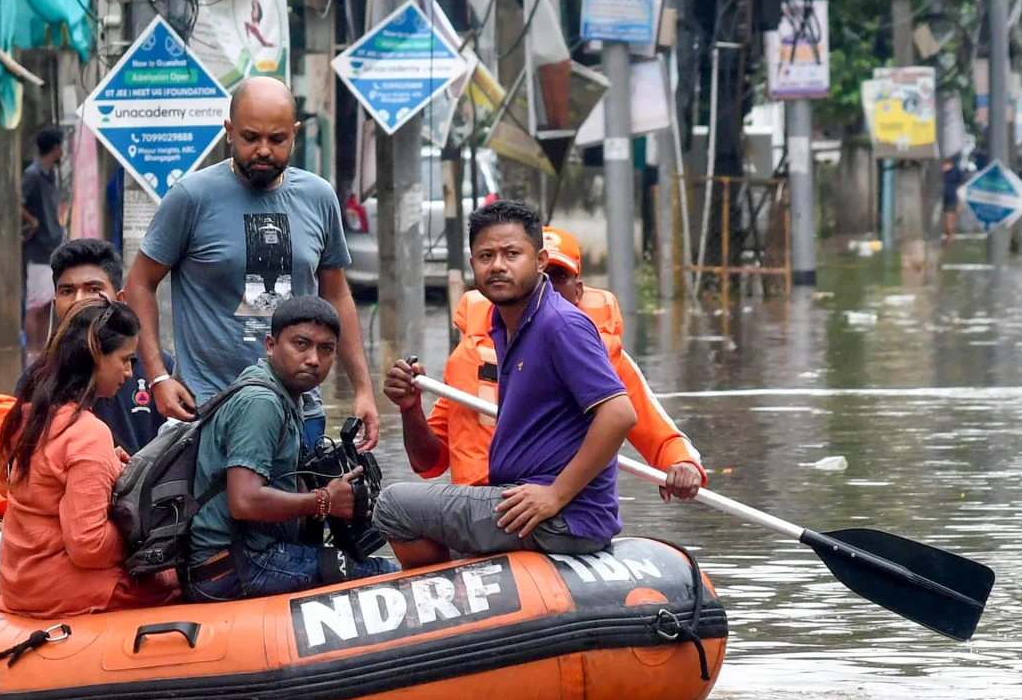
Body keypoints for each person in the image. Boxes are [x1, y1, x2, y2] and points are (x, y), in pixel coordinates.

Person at [374, 199, 636, 566]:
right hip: (519, 504)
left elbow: (620, 414)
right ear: (473, 267)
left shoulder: (560, 325)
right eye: (486, 256)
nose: (498, 266)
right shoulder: (502, 328)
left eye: (512, 254)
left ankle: (440, 605)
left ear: (540, 260)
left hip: (560, 518)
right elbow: (428, 462)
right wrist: (410, 406)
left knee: (392, 505)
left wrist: (556, 495)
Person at [125, 76, 378, 451]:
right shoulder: (191, 198)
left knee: (302, 505)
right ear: (229, 132)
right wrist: (159, 378)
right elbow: (139, 283)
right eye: (250, 138)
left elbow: (336, 295)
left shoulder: (318, 197)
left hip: (300, 408)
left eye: (277, 139)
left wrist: (363, 389)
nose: (263, 150)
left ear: (294, 134)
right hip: (210, 408)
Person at [407, 227, 704, 500]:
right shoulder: (468, 356)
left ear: (578, 292)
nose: (544, 285)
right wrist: (410, 408)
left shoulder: (598, 353)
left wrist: (681, 463)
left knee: (400, 505)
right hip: (476, 506)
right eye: (540, 274)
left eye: (557, 277)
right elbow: (430, 463)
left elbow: (656, 431)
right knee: (396, 509)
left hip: (555, 505)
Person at [186, 297, 397, 601]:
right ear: (270, 345)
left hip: (252, 554)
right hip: (235, 567)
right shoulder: (262, 403)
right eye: (301, 344)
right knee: (385, 575)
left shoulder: (286, 395)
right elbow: (243, 502)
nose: (313, 359)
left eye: (326, 349)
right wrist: (324, 500)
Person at [0, 300, 172, 618]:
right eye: (125, 360)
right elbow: (88, 545)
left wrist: (105, 467)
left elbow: (36, 482)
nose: (130, 373)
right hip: (59, 590)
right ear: (95, 357)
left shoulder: (29, 416)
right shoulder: (87, 434)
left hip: (19, 582)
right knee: (176, 582)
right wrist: (137, 540)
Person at [18, 237, 170, 453]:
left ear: (119, 300)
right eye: (67, 291)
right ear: (55, 304)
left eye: (93, 289)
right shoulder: (36, 379)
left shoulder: (158, 369)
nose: (79, 300)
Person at [21, 126, 67, 349]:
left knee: (48, 305)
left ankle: (43, 351)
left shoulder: (49, 174)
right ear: (56, 148)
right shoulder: (33, 175)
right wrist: (33, 222)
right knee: (35, 306)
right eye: (61, 147)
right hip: (38, 248)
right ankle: (31, 353)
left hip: (53, 245)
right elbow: (17, 204)